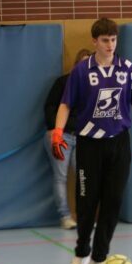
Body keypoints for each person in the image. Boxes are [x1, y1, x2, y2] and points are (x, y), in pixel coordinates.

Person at [51, 18, 132, 264]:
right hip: (89, 144)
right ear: (94, 41)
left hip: (119, 143)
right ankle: (81, 252)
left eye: (114, 40)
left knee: (113, 200)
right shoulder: (81, 71)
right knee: (86, 201)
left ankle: (99, 256)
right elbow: (65, 104)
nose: (110, 45)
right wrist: (58, 132)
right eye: (105, 40)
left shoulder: (128, 69)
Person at [43, 48, 91, 230]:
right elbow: (50, 106)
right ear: (76, 64)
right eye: (82, 63)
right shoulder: (63, 82)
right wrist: (53, 129)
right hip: (62, 135)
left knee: (84, 176)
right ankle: (65, 216)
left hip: (82, 138)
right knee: (61, 176)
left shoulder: (93, 86)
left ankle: (84, 215)